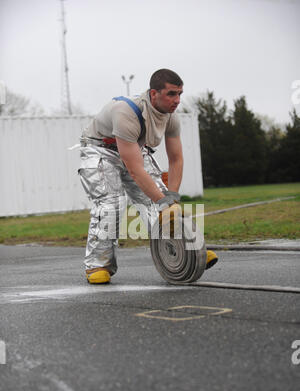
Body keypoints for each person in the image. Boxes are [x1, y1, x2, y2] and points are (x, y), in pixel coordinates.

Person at [78, 69, 218, 284]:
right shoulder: (126, 111)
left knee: (162, 202)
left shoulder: (171, 117)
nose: (177, 100)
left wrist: (171, 196)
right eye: (171, 94)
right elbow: (134, 169)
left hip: (133, 149)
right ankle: (98, 264)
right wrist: (163, 200)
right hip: (101, 150)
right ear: (154, 94)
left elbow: (176, 159)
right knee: (111, 204)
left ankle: (191, 251)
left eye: (180, 93)